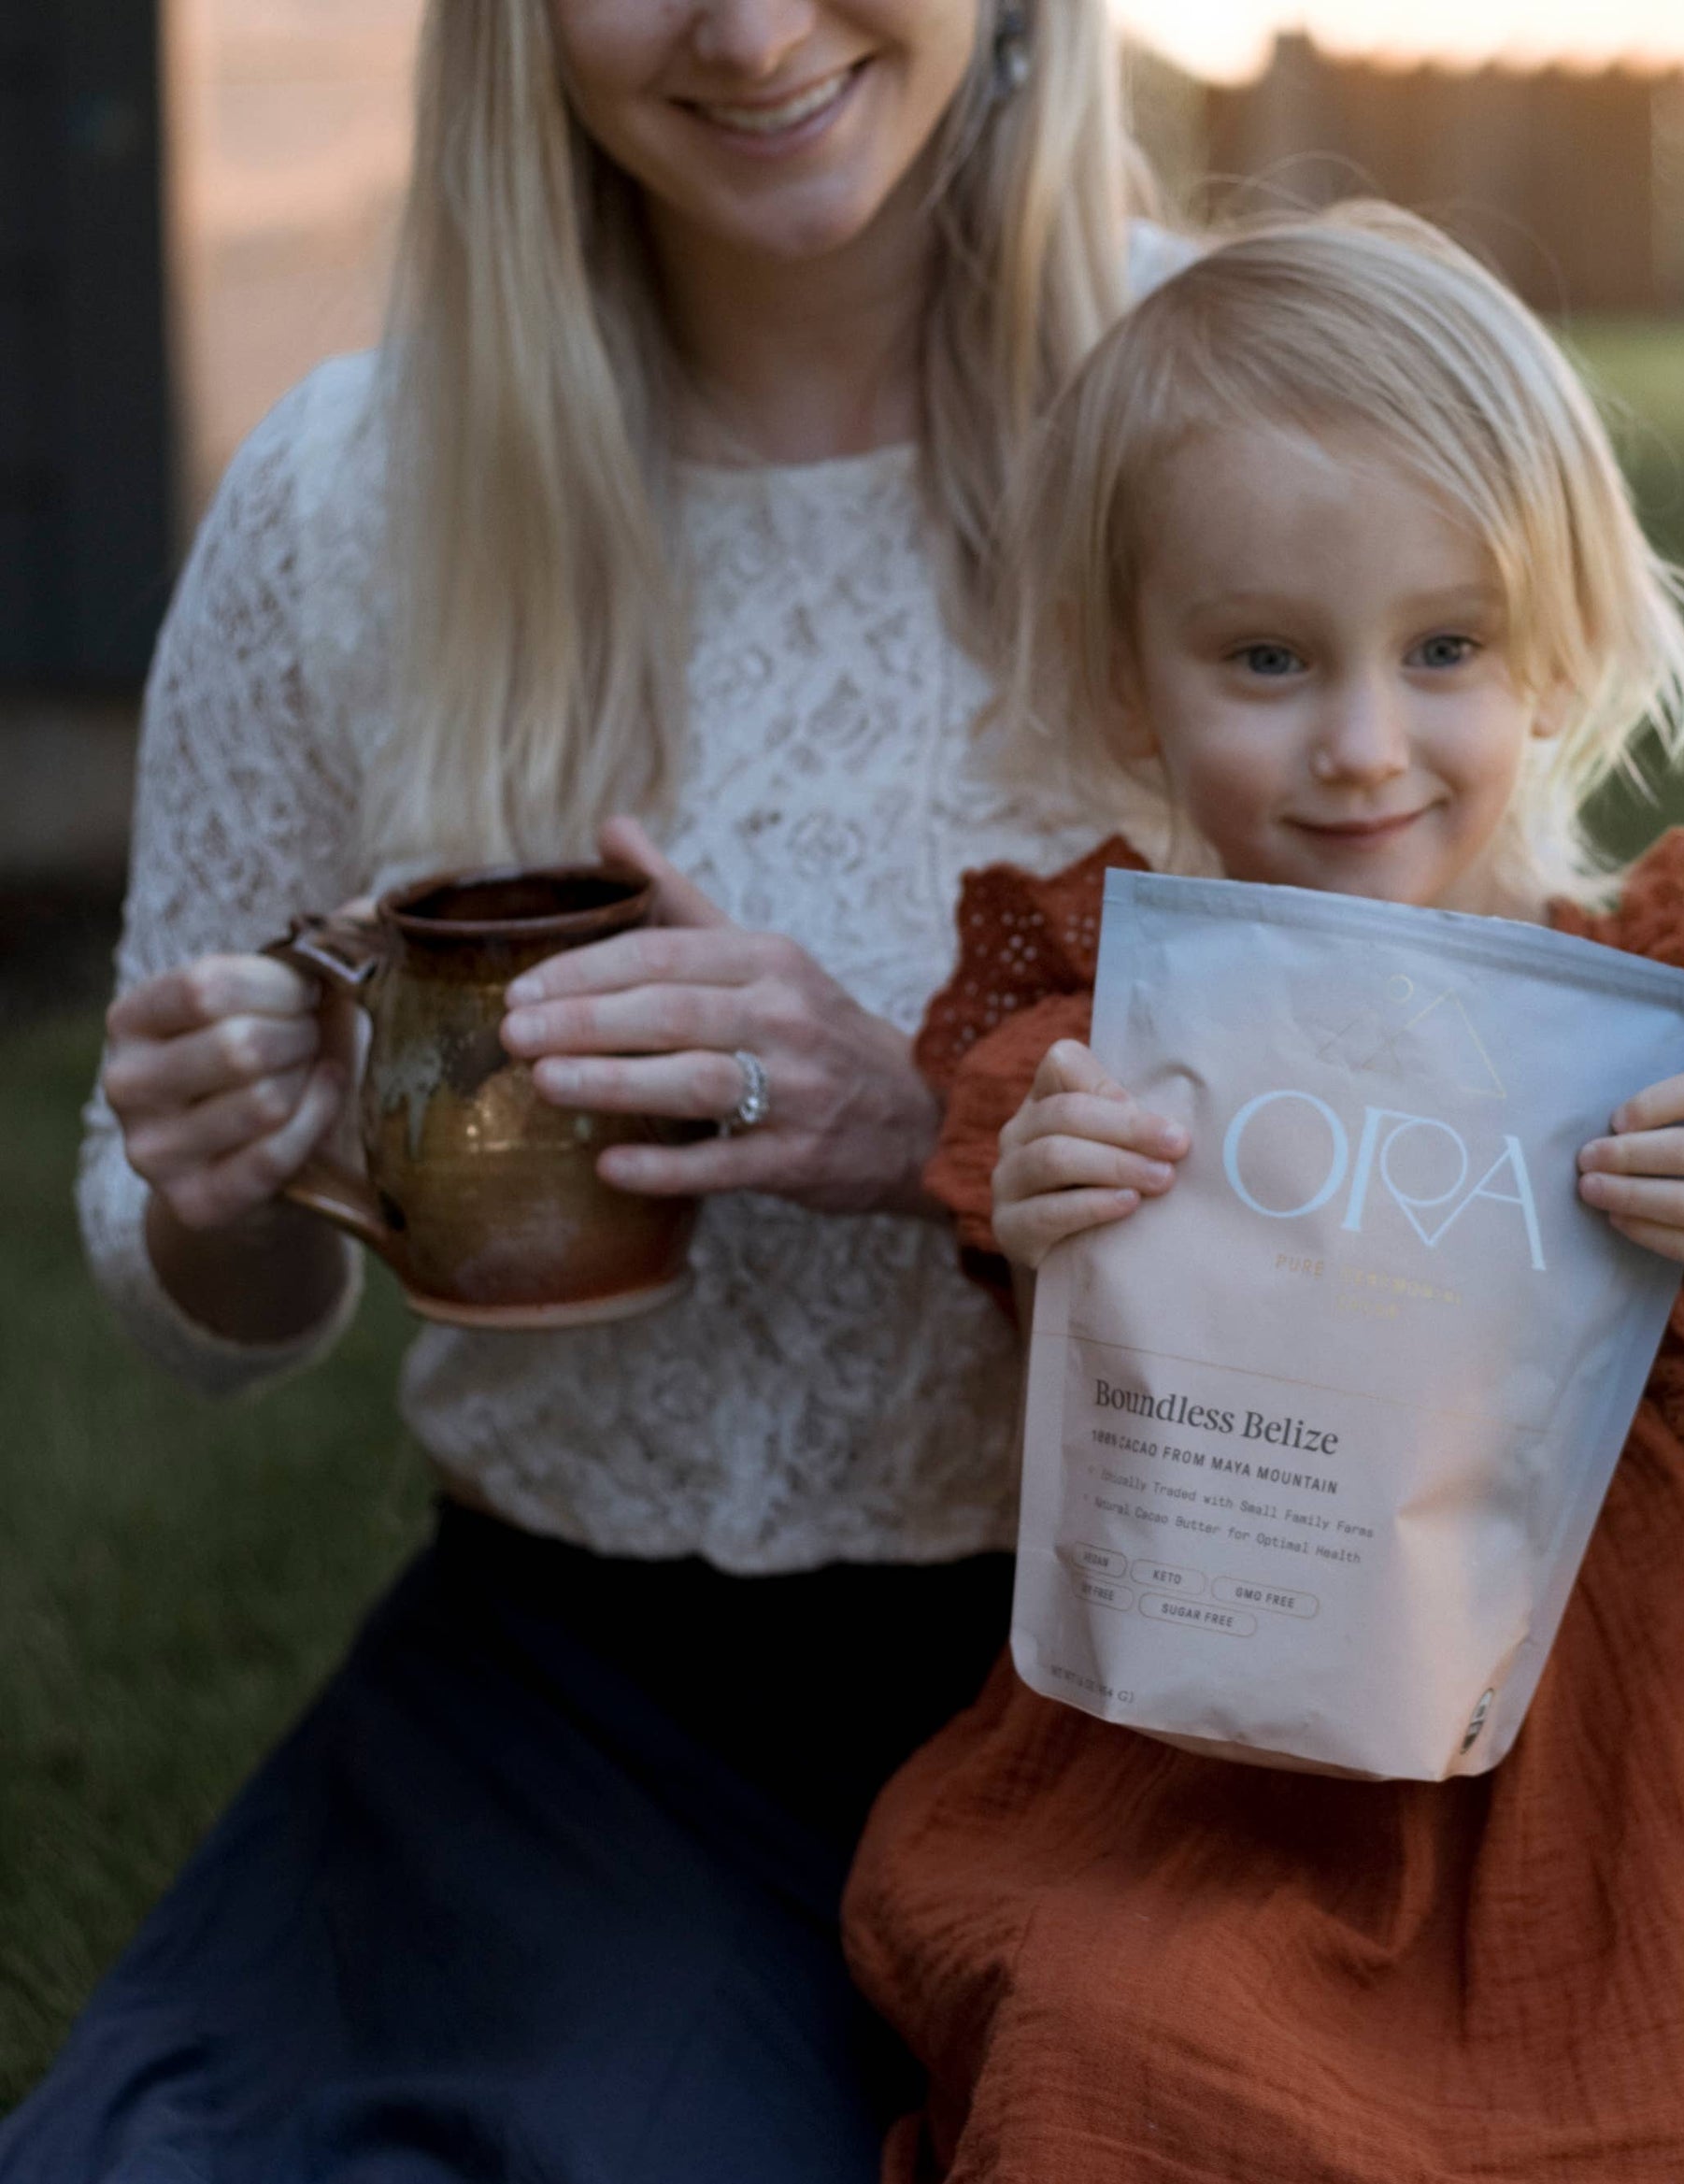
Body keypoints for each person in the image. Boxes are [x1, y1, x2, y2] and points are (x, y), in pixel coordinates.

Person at [0, 5, 1192, 2178]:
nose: (746, 32)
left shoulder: (1236, 404)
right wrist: (229, 1177)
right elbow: (202, 1301)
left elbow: (1447, 1162)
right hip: (585, 1709)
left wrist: (917, 1125)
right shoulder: (348, 497)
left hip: (1174, 1682)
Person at [842, 202, 1684, 2181]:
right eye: (1268, 657)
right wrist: (1051, 1216)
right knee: (1111, 2053)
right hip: (1205, 1780)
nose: (1362, 745)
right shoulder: (1108, 1026)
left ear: (1552, 657)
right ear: (1134, 686)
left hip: (1602, 1813)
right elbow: (1084, 1445)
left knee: (1676, 2119)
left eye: (1443, 647)